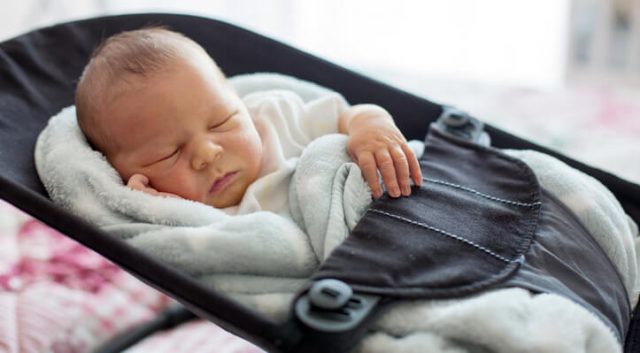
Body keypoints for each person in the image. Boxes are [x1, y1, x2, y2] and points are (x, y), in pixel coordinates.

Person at [75, 27, 422, 214]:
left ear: (238, 102)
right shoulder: (188, 216)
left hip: (400, 201)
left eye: (222, 121)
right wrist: (152, 208)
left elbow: (352, 113)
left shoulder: (276, 118)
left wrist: (371, 128)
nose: (207, 153)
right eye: (168, 154)